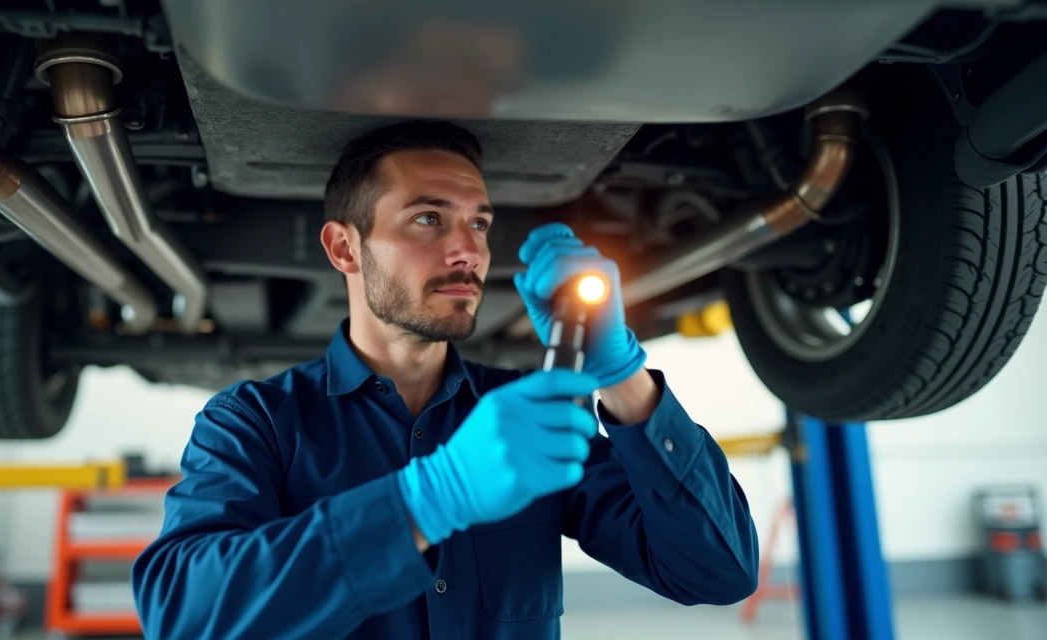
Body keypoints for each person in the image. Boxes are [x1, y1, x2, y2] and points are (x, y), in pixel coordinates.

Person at [132, 120, 759, 639]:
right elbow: (183, 616)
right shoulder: (255, 422)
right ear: (345, 249)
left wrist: (618, 370)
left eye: (479, 223)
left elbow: (716, 572)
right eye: (428, 219)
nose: (470, 251)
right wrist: (428, 499)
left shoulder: (523, 418)